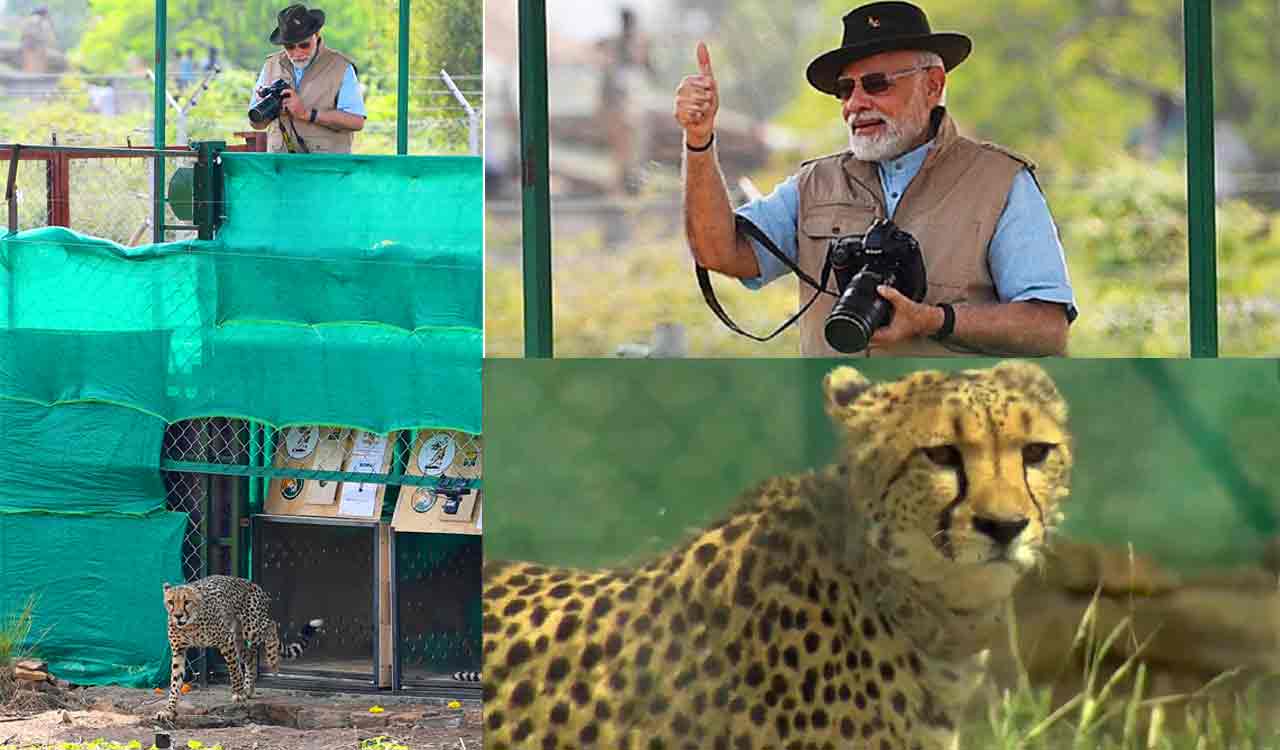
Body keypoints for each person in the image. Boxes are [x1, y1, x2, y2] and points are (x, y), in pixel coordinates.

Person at [674, 1, 1076, 357]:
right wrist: (699, 138)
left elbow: (1047, 329)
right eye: (845, 89)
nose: (855, 103)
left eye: (876, 84)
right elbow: (717, 251)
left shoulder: (1000, 181)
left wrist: (935, 320)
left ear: (933, 85)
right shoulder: (814, 183)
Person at [249, 4, 366, 154]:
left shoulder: (341, 66)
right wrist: (267, 107)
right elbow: (255, 123)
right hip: (281, 168)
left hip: (326, 169)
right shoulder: (271, 65)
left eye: (304, 45)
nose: (297, 53)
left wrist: (306, 114)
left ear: (316, 35)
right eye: (289, 47)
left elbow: (356, 121)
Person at [596, 7, 655, 195]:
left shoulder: (636, 44)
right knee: (622, 153)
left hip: (631, 104)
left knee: (634, 151)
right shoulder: (616, 46)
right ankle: (620, 188)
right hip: (620, 106)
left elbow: (648, 69)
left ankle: (631, 185)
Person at [20, 6, 57, 74]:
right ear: (45, 14)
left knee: (29, 66)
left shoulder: (28, 20)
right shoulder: (43, 22)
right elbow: (50, 38)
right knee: (38, 67)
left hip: (28, 46)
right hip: (38, 47)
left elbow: (23, 35)